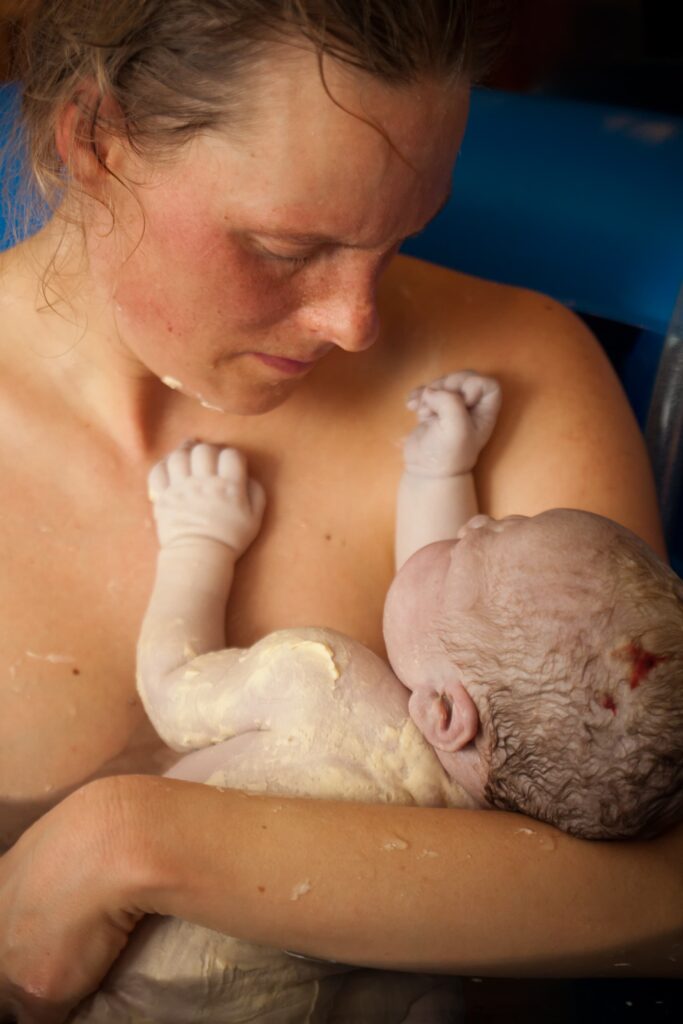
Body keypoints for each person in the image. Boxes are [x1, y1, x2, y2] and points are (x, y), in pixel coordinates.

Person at [0, 2, 680, 1022]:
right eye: (283, 246)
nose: (354, 324)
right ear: (94, 137)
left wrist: (132, 846)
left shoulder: (514, 372)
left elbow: (661, 890)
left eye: (404, 236)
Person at [68, 371, 683, 1022]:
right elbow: (449, 639)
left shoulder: (323, 685)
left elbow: (172, 688)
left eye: (467, 550)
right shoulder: (495, 889)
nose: (472, 523)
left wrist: (198, 541)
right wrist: (437, 477)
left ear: (442, 715)